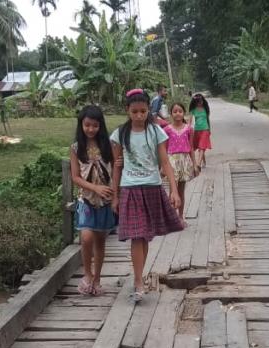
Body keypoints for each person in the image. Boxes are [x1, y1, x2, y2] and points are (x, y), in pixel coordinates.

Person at [111, 89, 183, 302]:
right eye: (134, 112)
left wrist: (174, 190)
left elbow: (165, 161)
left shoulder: (155, 131)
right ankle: (138, 281)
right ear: (127, 110)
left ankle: (139, 275)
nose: (139, 115)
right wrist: (115, 195)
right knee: (137, 234)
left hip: (152, 186)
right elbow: (116, 166)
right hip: (130, 188)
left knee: (144, 235)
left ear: (148, 110)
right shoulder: (120, 134)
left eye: (143, 111)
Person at [69, 105, 117, 296]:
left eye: (95, 125)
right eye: (87, 125)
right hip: (86, 199)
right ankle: (87, 274)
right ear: (81, 125)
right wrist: (95, 187)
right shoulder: (76, 148)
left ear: (100, 126)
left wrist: (116, 193)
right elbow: (75, 177)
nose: (91, 129)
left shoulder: (109, 146)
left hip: (105, 200)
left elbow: (116, 168)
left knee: (100, 240)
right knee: (86, 237)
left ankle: (97, 278)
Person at [163, 102, 198, 224]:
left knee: (181, 190)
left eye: (180, 111)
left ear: (184, 113)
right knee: (172, 191)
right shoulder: (167, 130)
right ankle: (171, 217)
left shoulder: (189, 129)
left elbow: (191, 147)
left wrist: (195, 164)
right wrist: (162, 166)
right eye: (175, 111)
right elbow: (163, 149)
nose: (177, 114)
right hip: (172, 161)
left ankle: (180, 217)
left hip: (185, 161)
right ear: (171, 114)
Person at [189, 93, 211, 170]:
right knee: (200, 147)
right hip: (197, 130)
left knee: (202, 146)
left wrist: (209, 129)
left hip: (205, 129)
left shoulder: (205, 109)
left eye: (201, 101)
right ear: (195, 102)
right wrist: (188, 129)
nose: (200, 103)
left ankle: (198, 164)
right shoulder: (193, 110)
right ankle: (204, 161)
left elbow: (208, 120)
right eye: (198, 101)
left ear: (203, 101)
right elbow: (190, 121)